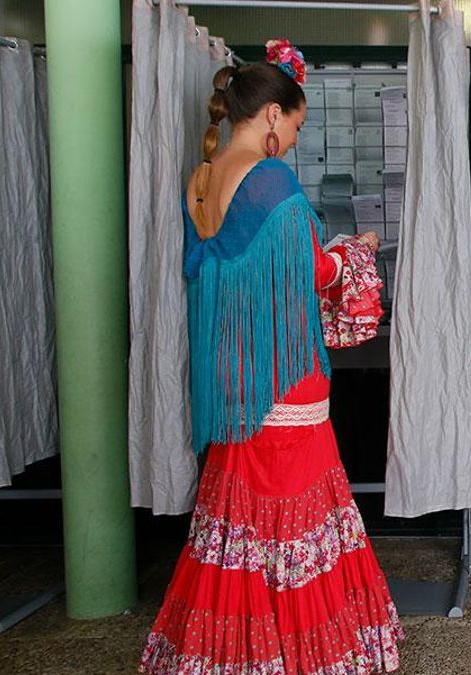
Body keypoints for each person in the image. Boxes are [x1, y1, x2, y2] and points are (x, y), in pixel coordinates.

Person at [140, 43, 403, 675]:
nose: (294, 139)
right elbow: (307, 272)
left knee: (235, 521)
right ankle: (305, 655)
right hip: (284, 375)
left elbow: (237, 272)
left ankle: (226, 656)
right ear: (272, 115)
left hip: (234, 375)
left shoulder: (202, 179)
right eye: (297, 125)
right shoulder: (269, 179)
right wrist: (355, 250)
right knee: (298, 518)